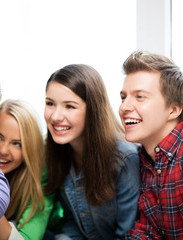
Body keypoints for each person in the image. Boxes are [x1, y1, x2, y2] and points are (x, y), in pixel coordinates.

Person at [43, 64, 140, 239]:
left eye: (70, 106)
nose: (55, 116)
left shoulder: (125, 158)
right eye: (50, 103)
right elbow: (73, 222)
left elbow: (128, 234)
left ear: (93, 110)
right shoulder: (58, 152)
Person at [120, 51, 183, 239]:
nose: (124, 107)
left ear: (173, 109)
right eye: (123, 97)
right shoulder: (144, 158)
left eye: (140, 97)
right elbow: (149, 230)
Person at [0, 99, 55, 240]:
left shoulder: (40, 173)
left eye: (17, 144)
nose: (3, 150)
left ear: (29, 149)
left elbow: (29, 238)